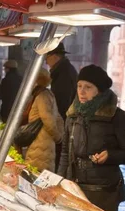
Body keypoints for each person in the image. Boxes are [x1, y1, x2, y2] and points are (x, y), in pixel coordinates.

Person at [58, 65, 125, 211]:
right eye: (79, 86)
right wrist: (59, 181)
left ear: (99, 90)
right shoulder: (72, 115)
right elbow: (64, 152)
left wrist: (110, 155)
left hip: (103, 190)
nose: (81, 91)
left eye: (88, 87)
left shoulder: (118, 117)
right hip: (75, 186)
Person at [24, 68, 64, 172]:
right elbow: (58, 117)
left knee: (36, 174)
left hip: (41, 142)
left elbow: (48, 119)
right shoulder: (46, 93)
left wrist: (58, 137)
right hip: (45, 142)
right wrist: (60, 134)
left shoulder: (42, 95)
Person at [46, 43, 77, 171]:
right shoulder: (62, 70)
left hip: (63, 123)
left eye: (46, 57)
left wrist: (57, 127)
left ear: (54, 56)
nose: (46, 61)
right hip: (63, 122)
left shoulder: (63, 73)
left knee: (60, 159)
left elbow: (61, 103)